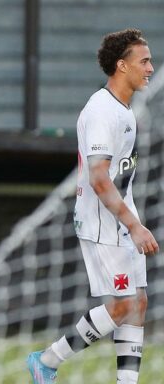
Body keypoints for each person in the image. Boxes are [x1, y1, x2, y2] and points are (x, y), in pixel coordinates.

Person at [27, 29, 159, 384]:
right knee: (121, 306)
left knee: (138, 302)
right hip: (104, 222)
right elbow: (99, 178)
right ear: (121, 65)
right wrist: (134, 225)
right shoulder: (101, 110)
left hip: (121, 217)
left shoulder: (124, 109)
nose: (150, 68)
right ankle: (48, 360)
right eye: (144, 61)